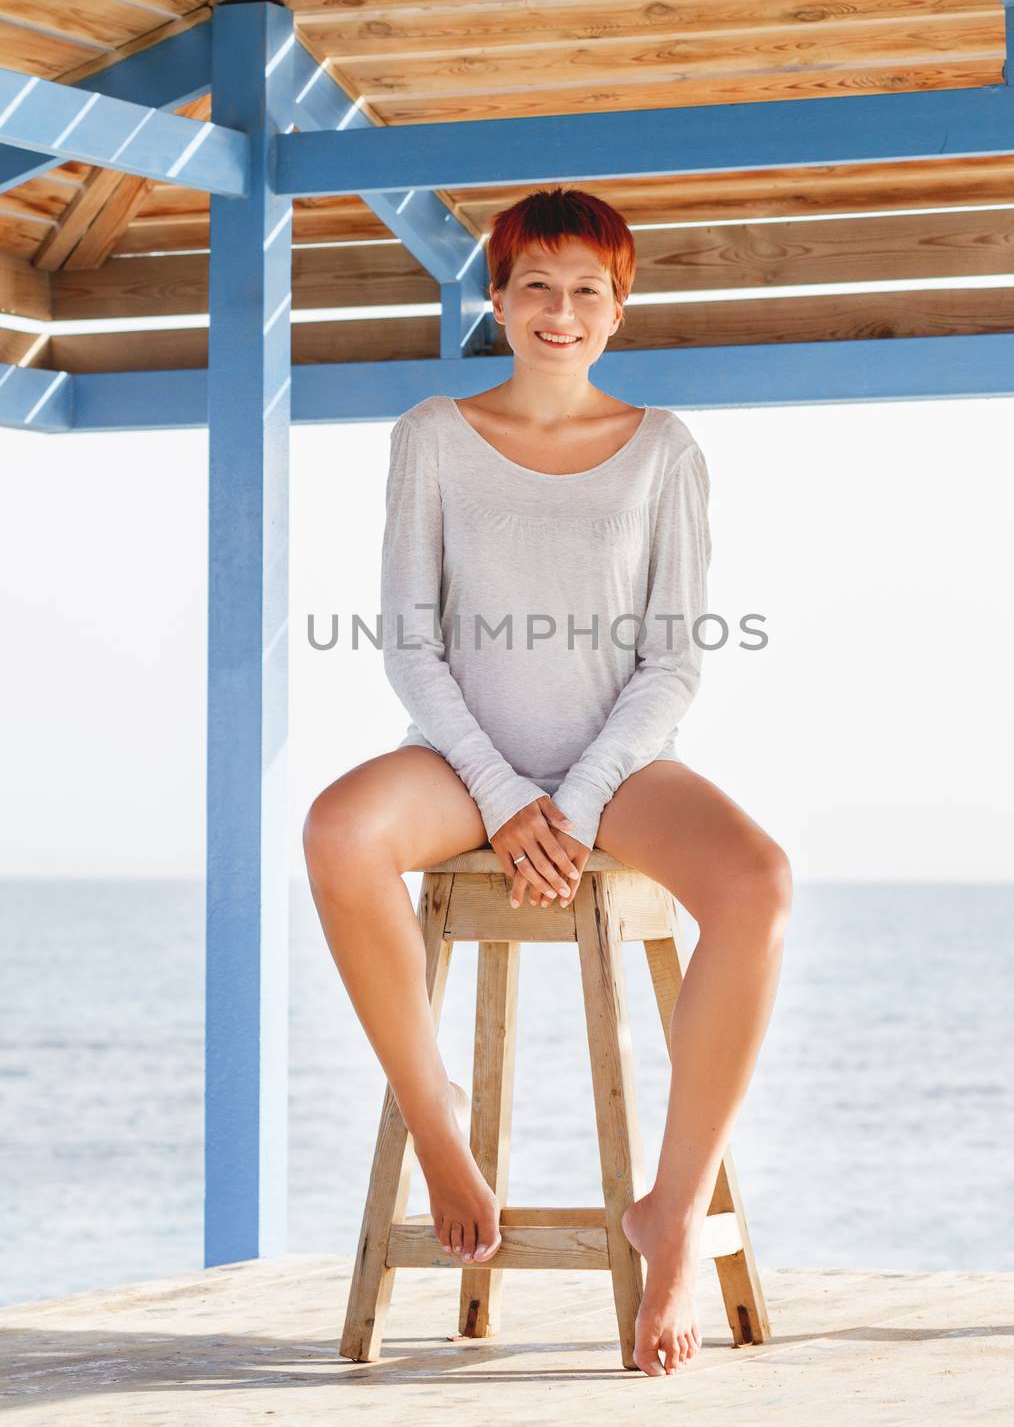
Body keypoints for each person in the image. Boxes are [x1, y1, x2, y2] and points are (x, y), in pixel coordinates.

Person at [303, 186, 792, 1379]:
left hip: (613, 768)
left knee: (757, 883)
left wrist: (571, 807)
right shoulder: (428, 436)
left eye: (585, 291)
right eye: (535, 287)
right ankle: (438, 1131)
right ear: (496, 299)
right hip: (465, 765)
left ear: (617, 309)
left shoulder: (665, 450)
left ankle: (669, 1211)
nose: (558, 312)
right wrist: (498, 789)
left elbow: (671, 659)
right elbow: (409, 645)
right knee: (335, 829)